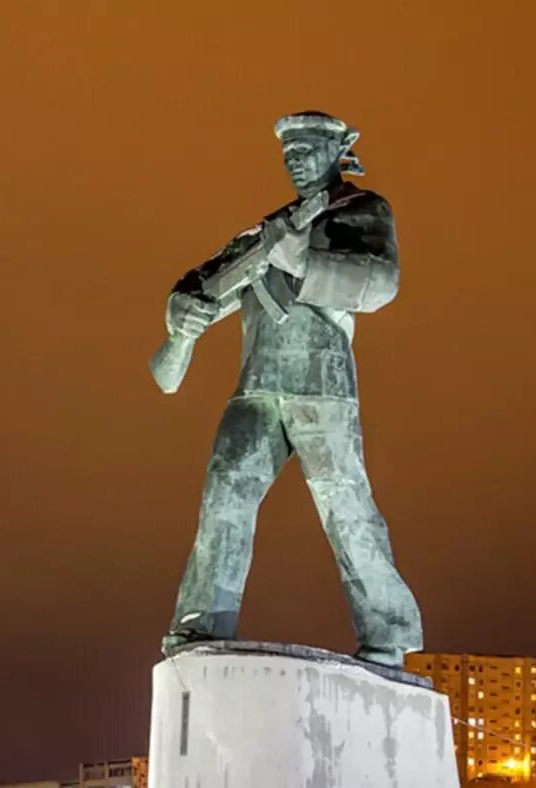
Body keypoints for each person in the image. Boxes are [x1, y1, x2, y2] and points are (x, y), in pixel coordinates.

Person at [158, 111, 421, 666]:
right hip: (255, 389)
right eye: (288, 152)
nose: (295, 160)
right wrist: (180, 309)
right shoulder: (265, 233)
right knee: (224, 499)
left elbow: (380, 283)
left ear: (337, 150)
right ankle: (201, 624)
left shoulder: (360, 210)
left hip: (320, 387)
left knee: (346, 505)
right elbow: (205, 285)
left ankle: (389, 633)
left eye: (306, 148)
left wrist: (301, 258)